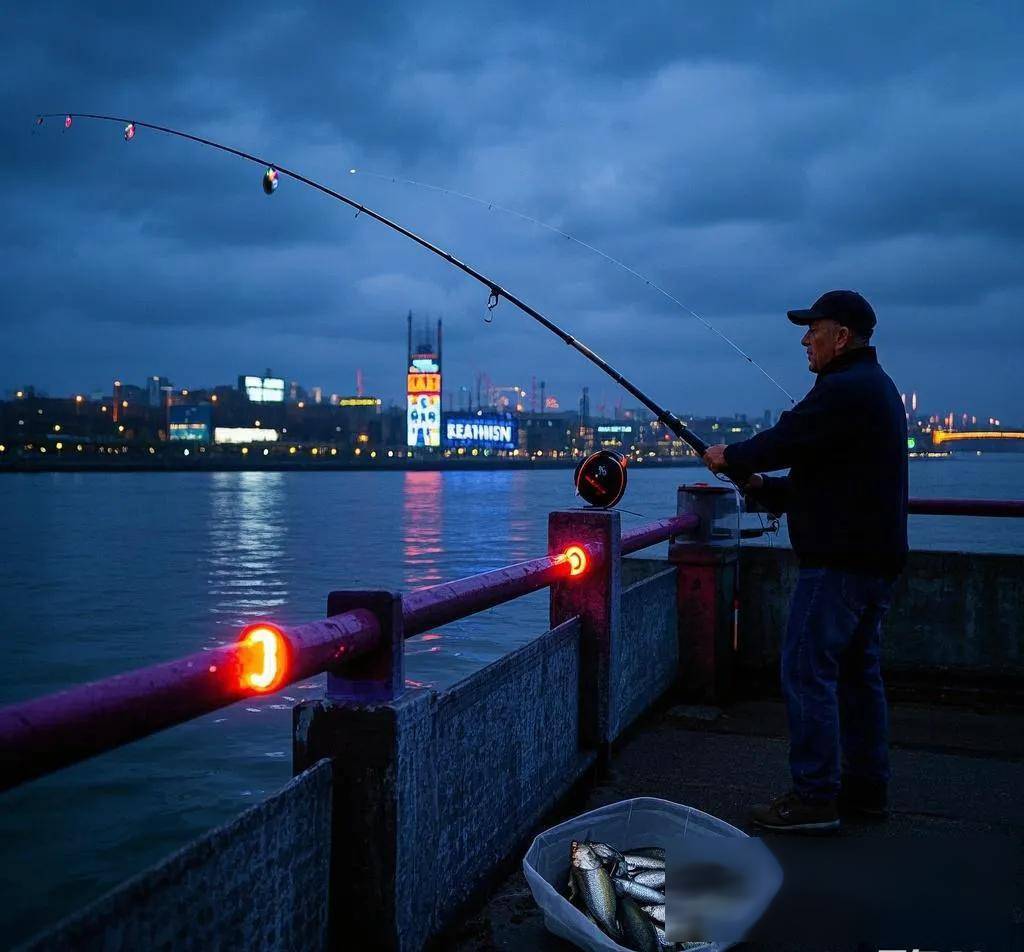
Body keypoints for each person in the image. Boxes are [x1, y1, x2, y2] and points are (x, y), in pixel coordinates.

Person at [703, 290, 907, 833]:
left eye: (812, 330)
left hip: (838, 564)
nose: (804, 340)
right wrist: (766, 489)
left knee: (806, 671)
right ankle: (867, 791)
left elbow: (788, 438)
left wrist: (732, 457)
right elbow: (828, 479)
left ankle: (815, 797)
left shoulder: (845, 389)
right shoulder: (874, 389)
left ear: (841, 337)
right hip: (872, 561)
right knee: (858, 677)